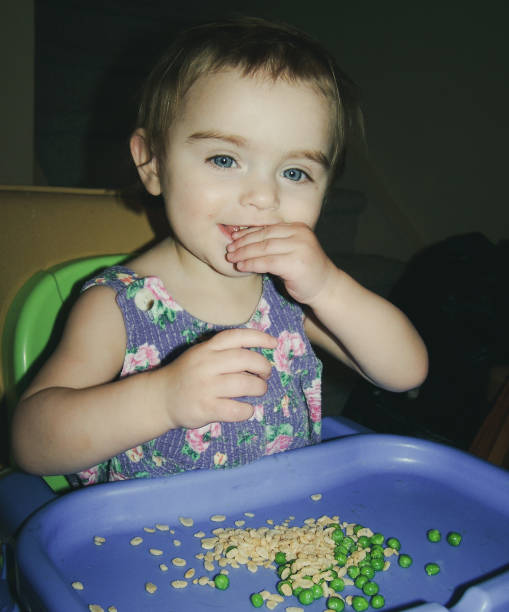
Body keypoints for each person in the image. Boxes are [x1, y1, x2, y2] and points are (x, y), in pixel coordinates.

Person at [11, 17, 428, 485]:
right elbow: (30, 444)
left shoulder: (288, 297)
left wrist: (328, 286)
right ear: (151, 162)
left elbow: (405, 372)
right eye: (225, 160)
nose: (263, 197)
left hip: (287, 530)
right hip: (149, 541)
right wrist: (162, 398)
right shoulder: (119, 307)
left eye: (295, 172)